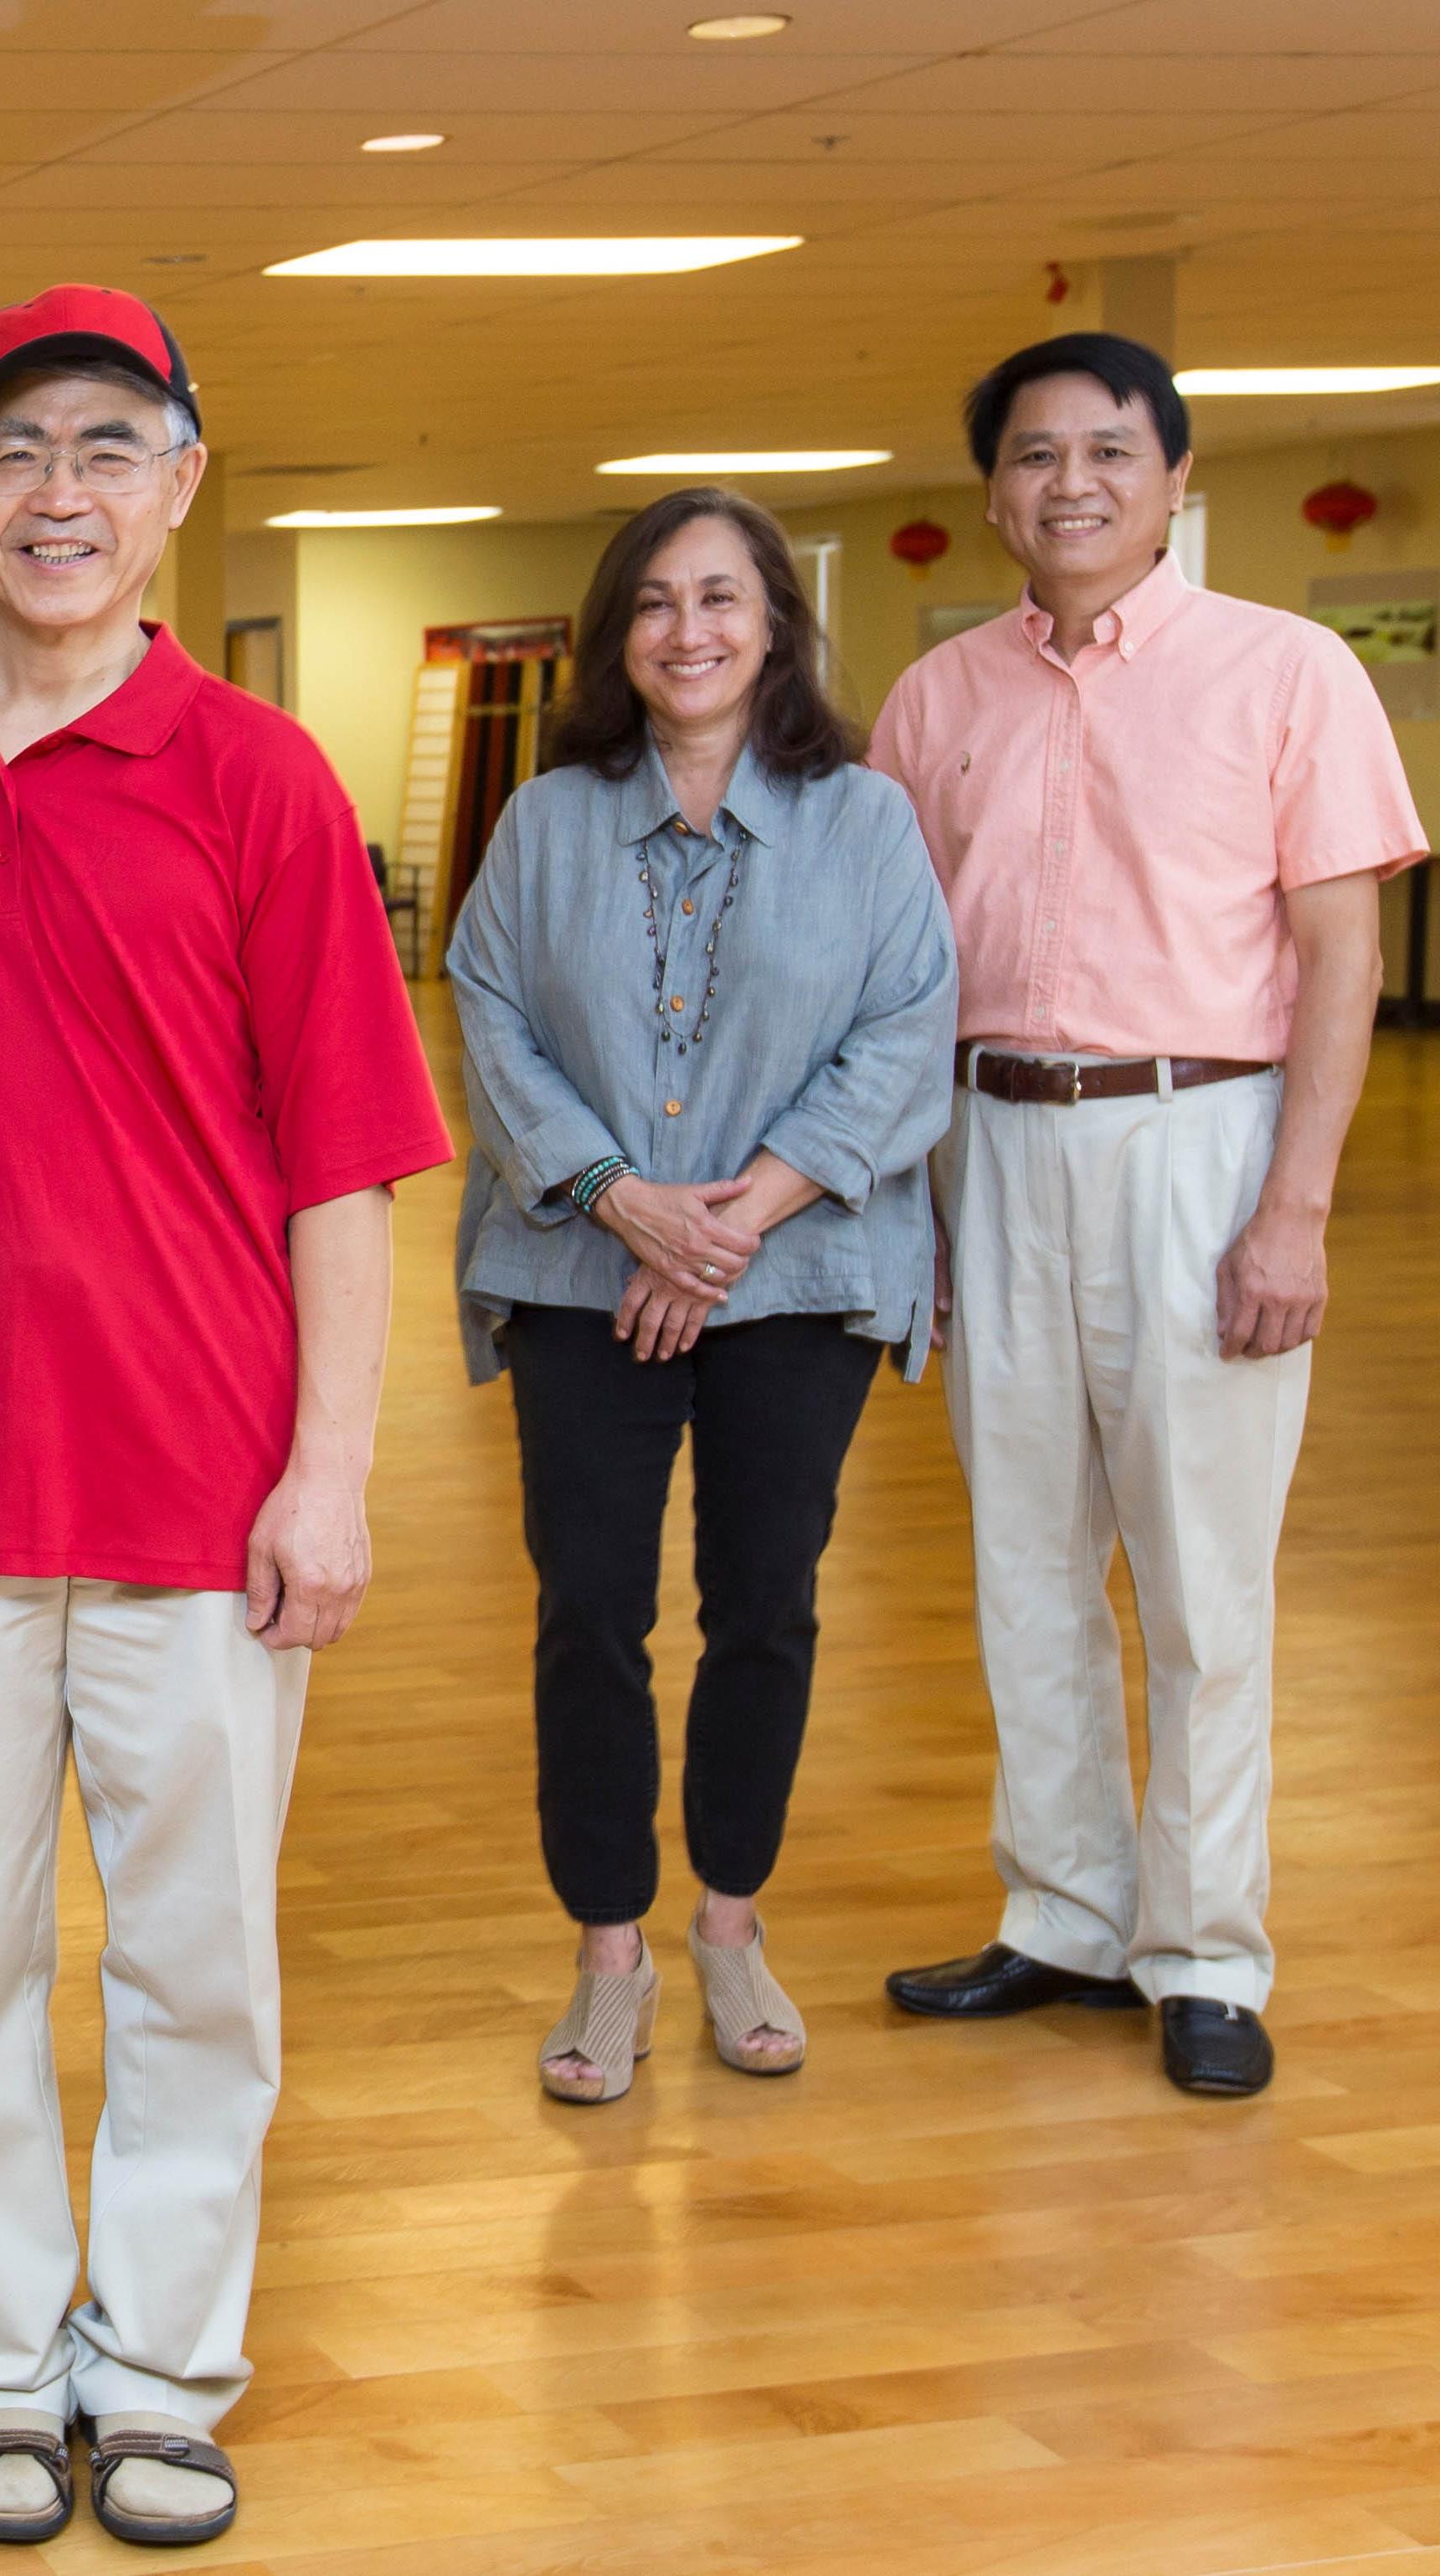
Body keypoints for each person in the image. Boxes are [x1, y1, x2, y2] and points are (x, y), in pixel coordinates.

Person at [0, 286, 450, 2552]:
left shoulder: (258, 779)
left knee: (196, 1961)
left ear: (176, 484)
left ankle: (164, 2364)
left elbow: (346, 1162)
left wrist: (331, 1469)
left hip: (202, 1490)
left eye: (105, 446)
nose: (54, 491)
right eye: (10, 449)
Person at [872, 334, 1424, 2099]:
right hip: (989, 1137)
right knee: (1025, 1557)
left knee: (1201, 1576)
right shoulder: (938, 697)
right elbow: (894, 973)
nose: (1073, 485)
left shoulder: (1288, 671)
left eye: (1112, 451)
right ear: (994, 493)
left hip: (1205, 1135)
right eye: (1036, 455)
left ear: (1176, 476)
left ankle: (1205, 1946)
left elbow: (1344, 948)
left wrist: (1298, 1210)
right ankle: (1062, 1915)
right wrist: (914, 1212)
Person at [447, 487, 959, 2105]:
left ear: (774, 626)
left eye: (722, 599)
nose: (689, 631)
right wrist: (623, 1203)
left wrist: (740, 1215)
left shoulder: (864, 822)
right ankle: (609, 1950)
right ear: (618, 636)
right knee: (589, 1611)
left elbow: (903, 1025)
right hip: (576, 1267)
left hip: (795, 1272)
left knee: (766, 1608)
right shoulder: (542, 823)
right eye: (655, 603)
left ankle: (731, 1919)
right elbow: (487, 1009)